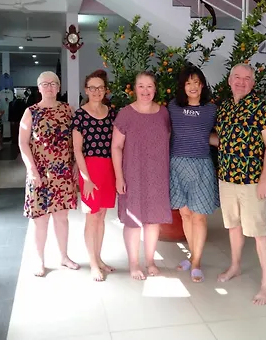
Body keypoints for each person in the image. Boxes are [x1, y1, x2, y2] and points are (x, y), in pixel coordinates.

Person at [215, 64, 266, 305]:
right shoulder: (224, 108)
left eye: (247, 78)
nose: (241, 82)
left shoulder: (262, 108)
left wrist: (265, 179)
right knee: (233, 226)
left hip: (252, 181)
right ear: (229, 80)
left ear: (253, 82)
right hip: (226, 178)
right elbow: (221, 140)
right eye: (237, 77)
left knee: (260, 231)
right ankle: (235, 266)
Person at [111, 71, 172, 280]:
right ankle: (134, 264)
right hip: (133, 175)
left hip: (158, 176)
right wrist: (119, 177)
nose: (145, 91)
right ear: (134, 89)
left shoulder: (163, 113)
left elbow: (166, 140)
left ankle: (150, 261)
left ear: (155, 89)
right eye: (141, 86)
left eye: (149, 86)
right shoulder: (125, 114)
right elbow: (116, 147)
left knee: (153, 220)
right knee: (133, 221)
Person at [19, 71, 79, 277]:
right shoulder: (31, 112)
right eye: (45, 84)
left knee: (62, 217)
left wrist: (76, 164)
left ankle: (64, 256)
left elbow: (76, 141)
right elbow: (23, 143)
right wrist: (31, 170)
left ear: (59, 87)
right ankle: (39, 260)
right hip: (39, 174)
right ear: (39, 88)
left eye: (54, 84)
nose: (50, 87)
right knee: (41, 219)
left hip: (63, 173)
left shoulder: (68, 110)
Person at [169, 65, 219, 283]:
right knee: (185, 214)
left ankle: (196, 262)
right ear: (182, 86)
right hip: (177, 165)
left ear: (202, 85)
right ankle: (192, 255)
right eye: (188, 83)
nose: (192, 87)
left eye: (196, 82)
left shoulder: (211, 109)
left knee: (199, 216)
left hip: (201, 165)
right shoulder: (173, 107)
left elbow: (214, 136)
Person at [72, 70, 117, 282]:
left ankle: (99, 259)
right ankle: (92, 263)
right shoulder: (80, 115)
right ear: (86, 90)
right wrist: (86, 178)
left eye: (100, 87)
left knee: (102, 216)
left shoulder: (112, 113)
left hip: (109, 168)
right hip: (90, 169)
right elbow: (77, 150)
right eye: (92, 88)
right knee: (92, 216)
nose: (97, 91)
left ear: (105, 90)